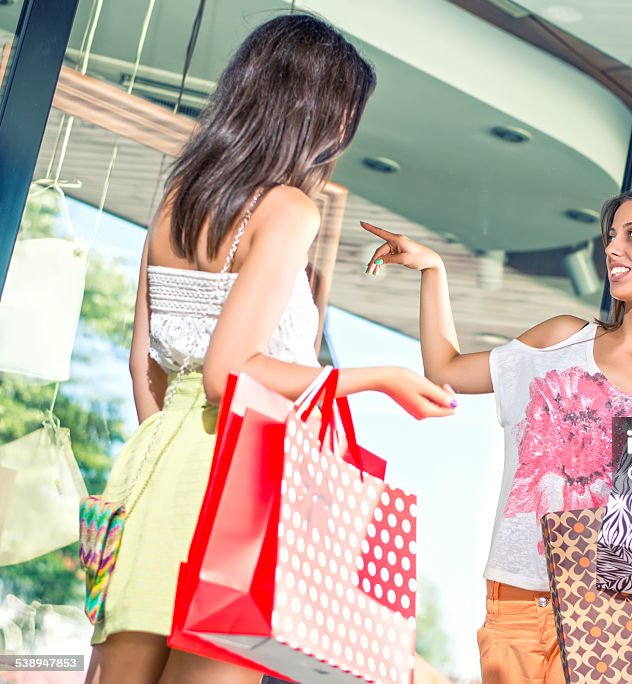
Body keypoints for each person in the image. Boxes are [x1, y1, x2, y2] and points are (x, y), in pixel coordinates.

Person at [85, 15, 456, 684]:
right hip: (245, 488)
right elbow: (231, 375)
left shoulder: (177, 200)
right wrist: (379, 377)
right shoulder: (288, 209)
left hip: (154, 471)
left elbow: (145, 368)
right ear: (319, 114)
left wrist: (176, 459)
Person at [362, 179, 632, 683]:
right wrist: (434, 270)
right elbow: (446, 371)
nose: (612, 247)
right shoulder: (561, 341)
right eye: (611, 235)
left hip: (610, 622)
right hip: (514, 601)